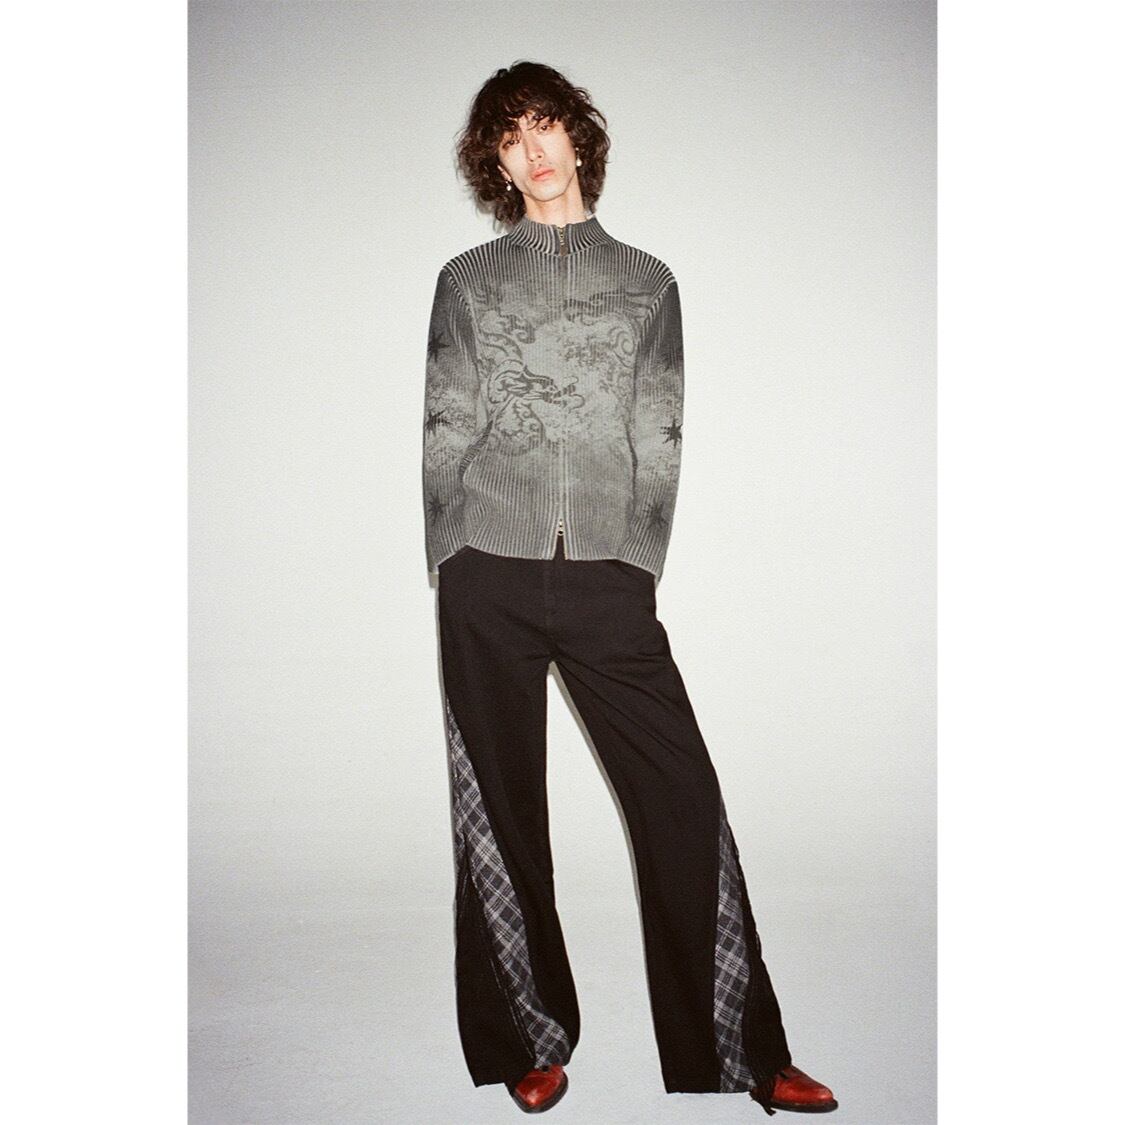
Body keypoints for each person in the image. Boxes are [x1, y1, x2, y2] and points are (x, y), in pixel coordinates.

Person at [421, 60, 838, 1117]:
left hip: (605, 580)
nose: (533, 149)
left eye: (546, 125)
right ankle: (528, 1038)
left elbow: (662, 431)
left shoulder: (649, 282)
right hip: (487, 576)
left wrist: (637, 560)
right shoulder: (466, 281)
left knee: (681, 799)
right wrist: (451, 556)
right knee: (499, 815)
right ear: (496, 162)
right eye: (510, 136)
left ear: (578, 137)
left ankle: (745, 1049)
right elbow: (445, 425)